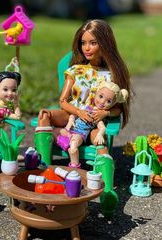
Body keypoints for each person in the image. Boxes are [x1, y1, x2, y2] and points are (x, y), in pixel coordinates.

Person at [34, 19, 132, 217]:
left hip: (95, 120)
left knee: (100, 141)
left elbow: (118, 109)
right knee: (44, 114)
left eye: (93, 43)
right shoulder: (75, 70)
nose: (86, 48)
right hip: (73, 114)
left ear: (105, 44)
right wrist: (78, 112)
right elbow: (63, 101)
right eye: (83, 42)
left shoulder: (111, 74)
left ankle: (107, 192)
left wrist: (104, 113)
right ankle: (43, 170)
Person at [57, 81, 128, 168]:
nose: (102, 102)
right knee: (56, 132)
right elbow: (74, 115)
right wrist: (69, 123)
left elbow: (102, 127)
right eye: (101, 96)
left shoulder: (97, 115)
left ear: (113, 104)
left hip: (80, 134)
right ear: (96, 93)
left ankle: (74, 166)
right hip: (70, 129)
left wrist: (100, 135)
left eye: (108, 101)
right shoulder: (86, 107)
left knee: (73, 145)